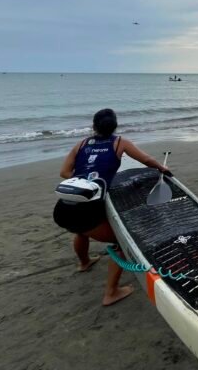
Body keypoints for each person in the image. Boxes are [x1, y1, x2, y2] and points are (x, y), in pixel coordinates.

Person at [54, 108, 171, 306]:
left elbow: (64, 172)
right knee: (123, 241)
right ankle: (111, 292)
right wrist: (162, 168)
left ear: (93, 126)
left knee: (81, 231)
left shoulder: (82, 143)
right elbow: (146, 160)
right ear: (115, 126)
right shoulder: (120, 143)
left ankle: (84, 263)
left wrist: (85, 179)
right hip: (86, 211)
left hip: (64, 207)